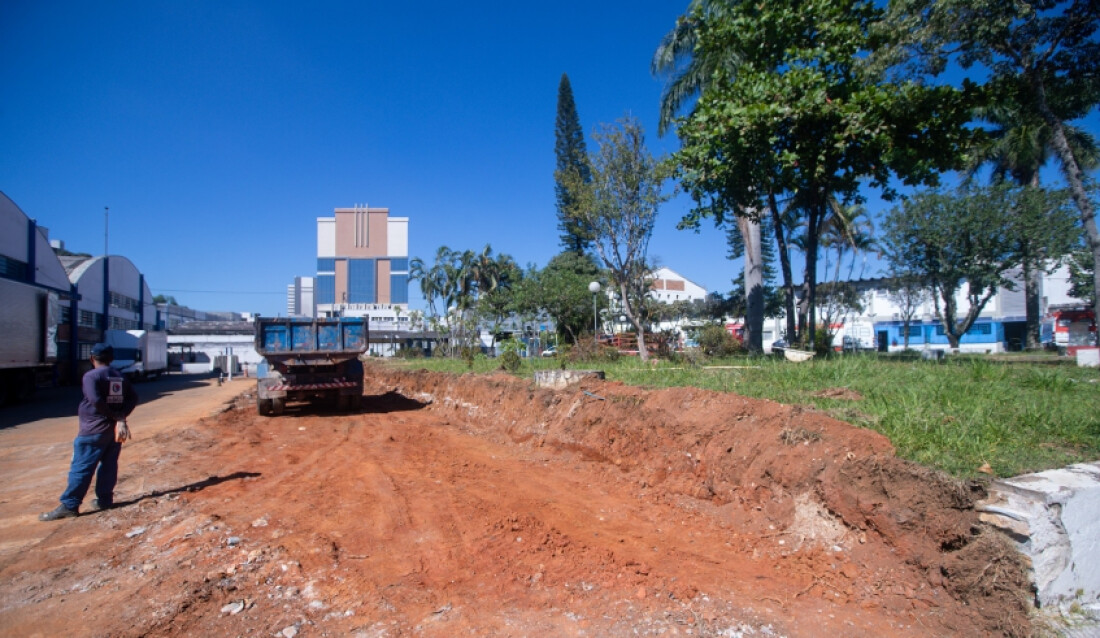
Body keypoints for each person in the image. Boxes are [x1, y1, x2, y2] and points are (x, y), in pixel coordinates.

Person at [39, 343, 139, 521]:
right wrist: (121, 416)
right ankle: (105, 500)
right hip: (113, 430)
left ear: (92, 358)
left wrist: (116, 415)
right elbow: (133, 398)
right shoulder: (119, 376)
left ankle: (70, 505)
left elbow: (95, 400)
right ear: (112, 358)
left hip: (93, 430)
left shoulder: (91, 376)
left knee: (82, 468)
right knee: (109, 465)